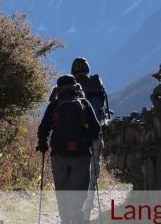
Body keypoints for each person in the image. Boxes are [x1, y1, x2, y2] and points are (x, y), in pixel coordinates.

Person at [37, 74, 101, 224]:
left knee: (62, 192)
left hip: (59, 156)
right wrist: (88, 137)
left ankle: (65, 220)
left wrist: (43, 145)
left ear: (58, 89)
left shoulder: (53, 105)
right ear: (76, 88)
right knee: (78, 192)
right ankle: (77, 217)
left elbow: (43, 128)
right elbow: (96, 129)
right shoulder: (84, 103)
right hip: (81, 155)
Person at [70, 57, 111, 221]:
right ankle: (86, 213)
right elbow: (104, 109)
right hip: (95, 135)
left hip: (76, 138)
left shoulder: (69, 85)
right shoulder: (96, 82)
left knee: (75, 175)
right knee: (92, 176)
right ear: (87, 69)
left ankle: (74, 211)